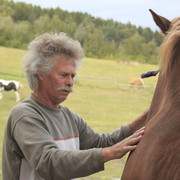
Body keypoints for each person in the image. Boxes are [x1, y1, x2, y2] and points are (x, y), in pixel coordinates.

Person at [2, 33, 148, 180]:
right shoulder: (24, 115)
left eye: (73, 76)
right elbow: (49, 163)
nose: (70, 82)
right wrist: (109, 153)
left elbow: (99, 143)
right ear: (41, 74)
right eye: (64, 75)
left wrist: (147, 116)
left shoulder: (69, 117)